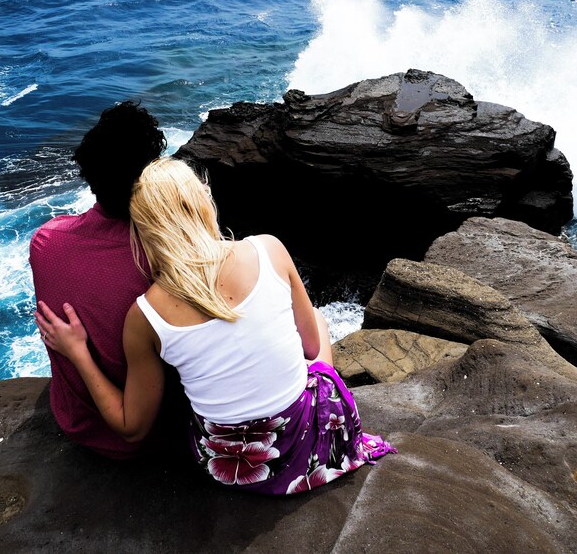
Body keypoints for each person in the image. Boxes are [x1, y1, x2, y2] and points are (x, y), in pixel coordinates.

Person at [35, 157, 395, 494]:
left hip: (230, 468)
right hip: (309, 450)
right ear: (204, 202)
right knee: (316, 317)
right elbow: (313, 350)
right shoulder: (268, 248)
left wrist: (78, 352)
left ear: (144, 230)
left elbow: (132, 428)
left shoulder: (144, 314)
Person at [29, 101, 175, 459]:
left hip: (78, 424)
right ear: (150, 178)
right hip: (162, 436)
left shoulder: (45, 241)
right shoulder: (168, 259)